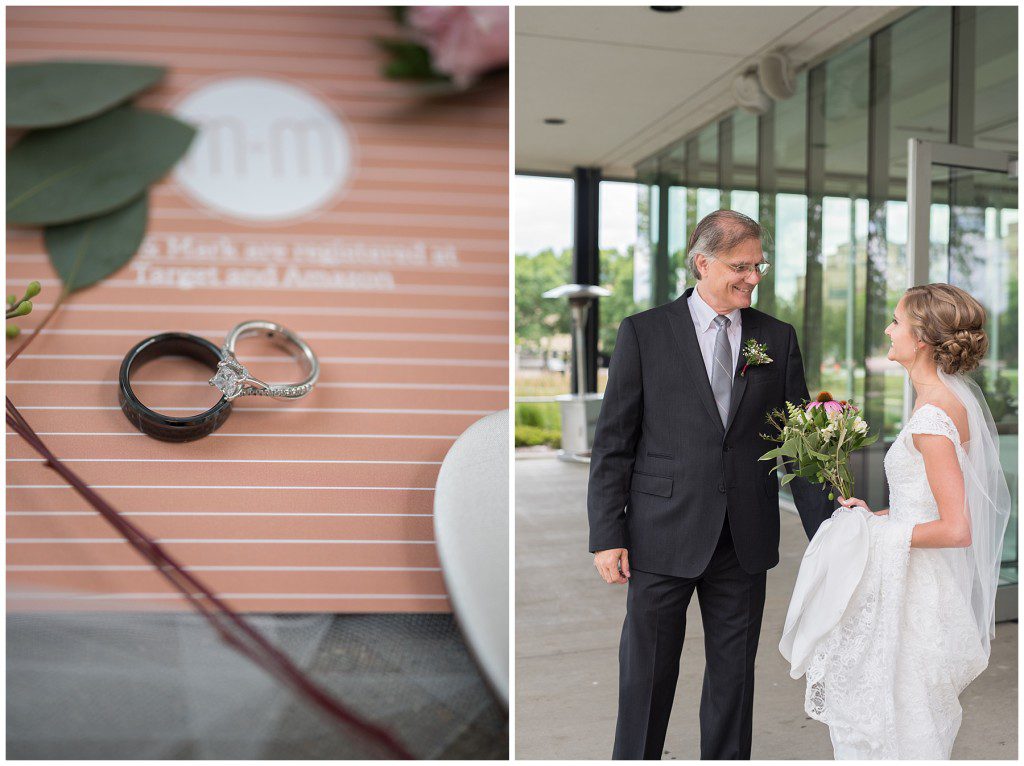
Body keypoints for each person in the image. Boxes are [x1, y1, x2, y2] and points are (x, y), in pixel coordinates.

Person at [588, 209, 833, 760]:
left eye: (759, 266)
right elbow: (614, 443)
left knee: (734, 680)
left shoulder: (776, 336)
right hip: (660, 535)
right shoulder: (644, 332)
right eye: (741, 266)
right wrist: (607, 535)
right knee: (645, 677)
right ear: (702, 262)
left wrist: (833, 529)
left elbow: (797, 444)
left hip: (743, 540)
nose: (753, 277)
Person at [779, 283, 1010, 759]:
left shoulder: (932, 419)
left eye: (897, 322)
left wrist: (879, 534)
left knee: (899, 718)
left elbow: (956, 528)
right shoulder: (944, 401)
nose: (888, 329)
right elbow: (923, 505)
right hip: (912, 576)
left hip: (915, 588)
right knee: (899, 713)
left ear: (921, 338)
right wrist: (877, 515)